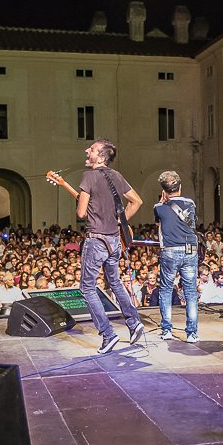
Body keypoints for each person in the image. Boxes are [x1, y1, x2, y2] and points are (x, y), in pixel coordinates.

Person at [76, 138, 145, 353]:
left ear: (101, 158)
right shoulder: (117, 176)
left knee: (87, 287)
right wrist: (119, 220)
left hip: (96, 239)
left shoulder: (88, 176)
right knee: (114, 281)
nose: (88, 150)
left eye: (93, 150)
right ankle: (134, 324)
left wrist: (81, 199)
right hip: (115, 239)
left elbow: (81, 213)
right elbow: (137, 201)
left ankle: (108, 335)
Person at [154, 170, 199, 343]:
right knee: (190, 292)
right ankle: (192, 333)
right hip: (189, 250)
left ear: (163, 190)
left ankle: (166, 330)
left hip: (170, 251)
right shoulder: (190, 202)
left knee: (165, 290)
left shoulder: (158, 207)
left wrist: (162, 200)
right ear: (180, 186)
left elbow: (159, 223)